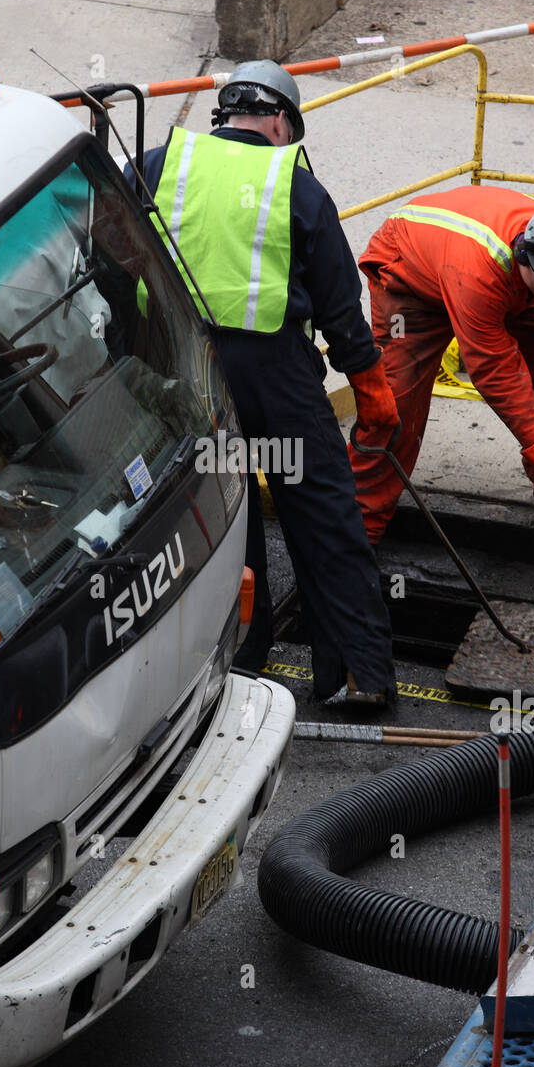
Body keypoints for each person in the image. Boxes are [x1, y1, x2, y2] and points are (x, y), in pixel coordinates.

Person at [134, 60, 399, 705]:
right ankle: (358, 672)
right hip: (276, 376)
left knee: (225, 517)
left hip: (189, 376)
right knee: (324, 517)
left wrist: (136, 351)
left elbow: (111, 255)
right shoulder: (294, 188)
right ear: (282, 122)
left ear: (225, 113)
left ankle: (241, 666)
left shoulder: (157, 164)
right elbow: (338, 304)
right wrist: (369, 384)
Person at [348, 185, 534, 541]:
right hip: (410, 280)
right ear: (524, 255)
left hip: (496, 281)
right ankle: (360, 524)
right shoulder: (482, 269)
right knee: (395, 405)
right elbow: (495, 370)